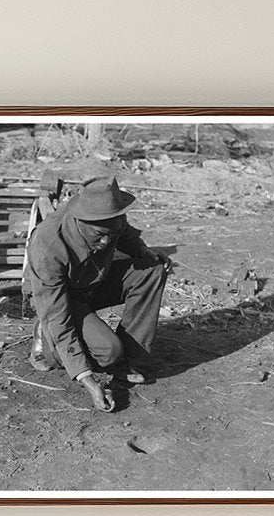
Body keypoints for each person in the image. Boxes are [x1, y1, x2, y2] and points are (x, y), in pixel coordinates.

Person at [24, 175, 170, 412]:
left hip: (92, 281)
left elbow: (125, 233)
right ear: (82, 221)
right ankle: (45, 338)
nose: (106, 241)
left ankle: (128, 361)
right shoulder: (49, 246)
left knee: (151, 271)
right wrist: (88, 380)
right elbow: (58, 315)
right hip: (59, 299)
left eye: (111, 235)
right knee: (108, 351)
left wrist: (141, 249)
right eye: (100, 235)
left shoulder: (111, 221)